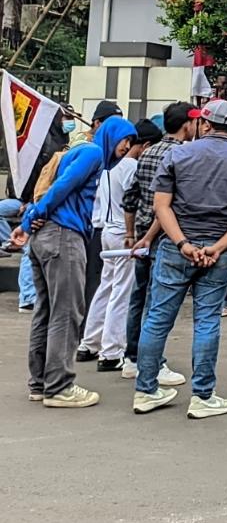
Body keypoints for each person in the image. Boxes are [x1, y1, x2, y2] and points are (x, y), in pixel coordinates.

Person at [133, 99, 227, 419]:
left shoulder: (177, 155)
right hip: (219, 253)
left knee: (157, 318)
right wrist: (218, 247)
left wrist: (182, 243)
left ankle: (145, 390)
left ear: (205, 124)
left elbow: (161, 206)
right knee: (207, 321)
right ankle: (203, 396)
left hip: (175, 248)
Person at [9, 115, 132, 407]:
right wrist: (30, 219)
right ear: (113, 135)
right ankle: (59, 386)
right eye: (127, 140)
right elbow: (62, 186)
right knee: (66, 312)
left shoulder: (79, 151)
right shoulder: (93, 153)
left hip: (48, 237)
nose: (128, 148)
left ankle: (40, 382)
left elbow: (55, 187)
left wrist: (31, 220)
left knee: (47, 310)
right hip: (64, 237)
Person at [121, 102, 195, 385]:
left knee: (138, 297)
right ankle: (152, 363)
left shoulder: (147, 151)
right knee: (157, 303)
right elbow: (170, 204)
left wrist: (132, 234)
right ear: (187, 125)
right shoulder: (183, 155)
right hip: (165, 235)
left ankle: (131, 357)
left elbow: (132, 197)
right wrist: (153, 234)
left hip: (140, 230)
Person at [76, 119, 153, 371]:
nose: (127, 145)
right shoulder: (130, 166)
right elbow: (135, 201)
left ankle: (89, 342)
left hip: (107, 229)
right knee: (121, 292)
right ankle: (111, 351)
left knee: (106, 287)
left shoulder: (105, 166)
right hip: (124, 232)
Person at [0, 110, 73, 311]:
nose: (70, 121)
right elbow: (40, 175)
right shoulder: (43, 144)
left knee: (31, 247)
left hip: (38, 200)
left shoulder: (61, 140)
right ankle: (29, 297)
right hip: (34, 200)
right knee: (29, 247)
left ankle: (32, 296)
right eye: (67, 117)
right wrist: (29, 200)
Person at [82, 100, 124, 324]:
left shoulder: (119, 159)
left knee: (105, 283)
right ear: (97, 123)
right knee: (91, 280)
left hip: (107, 227)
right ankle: (86, 330)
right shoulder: (87, 150)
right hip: (88, 224)